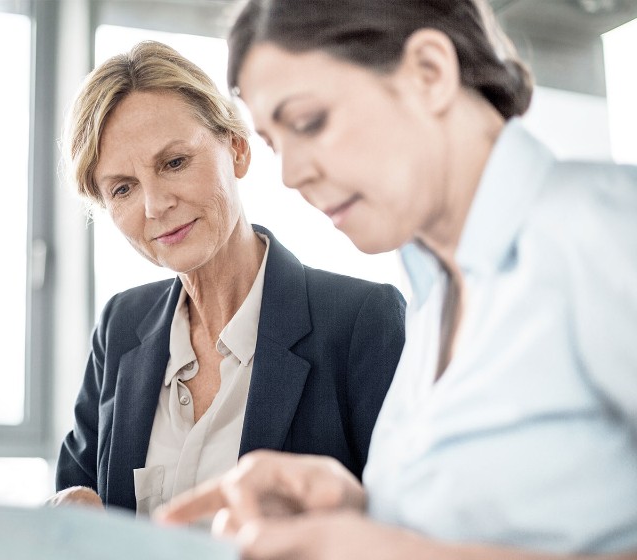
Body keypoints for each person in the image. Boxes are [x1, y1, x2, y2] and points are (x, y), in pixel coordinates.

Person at [154, 1, 637, 558]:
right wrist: (361, 511)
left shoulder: (605, 233)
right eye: (274, 144)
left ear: (429, 72)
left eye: (309, 122)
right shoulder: (438, 300)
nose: (291, 174)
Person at [49, 41, 407, 517]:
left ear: (237, 149)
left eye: (174, 163)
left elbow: (411, 526)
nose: (155, 206)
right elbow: (77, 504)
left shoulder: (363, 321)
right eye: (123, 188)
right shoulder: (119, 325)